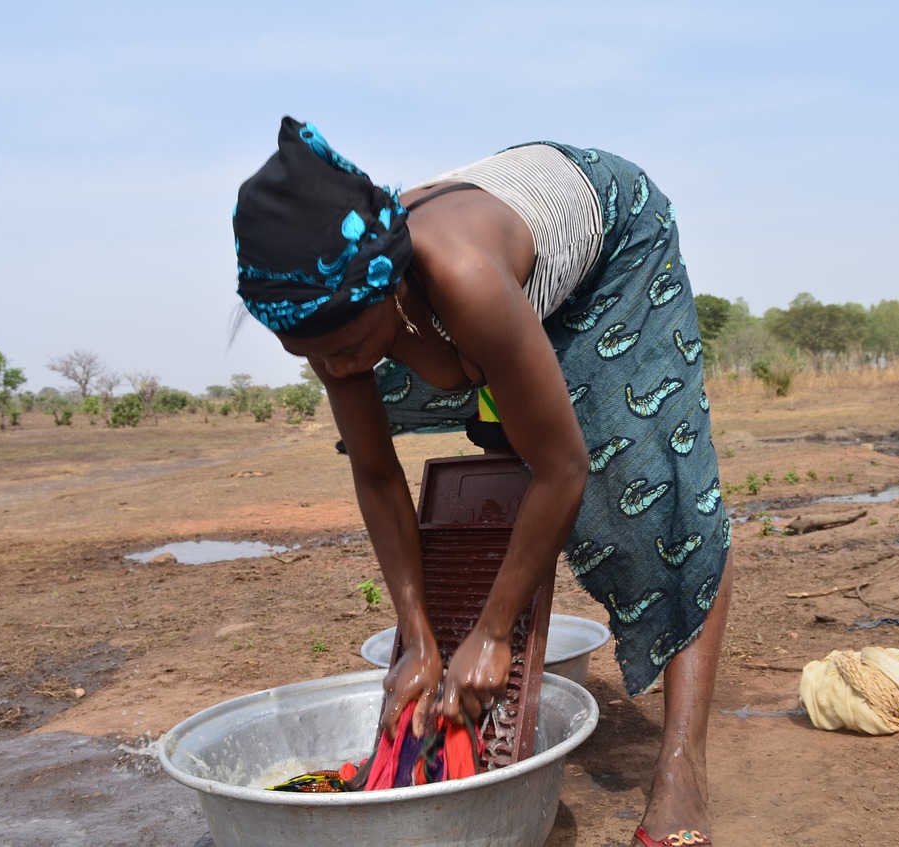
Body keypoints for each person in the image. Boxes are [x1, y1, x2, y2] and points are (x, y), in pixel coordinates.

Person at [233, 116, 733, 847]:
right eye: (309, 354)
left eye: (344, 349)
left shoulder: (459, 279)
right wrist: (416, 636)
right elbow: (375, 472)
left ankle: (683, 766)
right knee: (513, 428)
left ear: (389, 285)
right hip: (465, 308)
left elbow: (563, 468)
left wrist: (494, 633)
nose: (336, 370)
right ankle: (506, 405)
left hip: (610, 250)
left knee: (655, 487)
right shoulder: (327, 311)